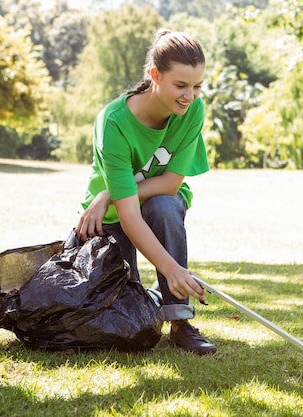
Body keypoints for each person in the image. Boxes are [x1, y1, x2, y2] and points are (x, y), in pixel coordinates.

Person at [74, 28, 216, 356]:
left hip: (147, 202)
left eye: (197, 86)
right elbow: (128, 215)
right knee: (130, 324)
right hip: (107, 219)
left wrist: (109, 193)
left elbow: (169, 184)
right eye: (180, 85)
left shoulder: (192, 110)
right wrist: (171, 269)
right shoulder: (114, 122)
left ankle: (180, 322)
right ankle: (153, 297)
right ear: (155, 75)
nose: (189, 95)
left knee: (165, 206)